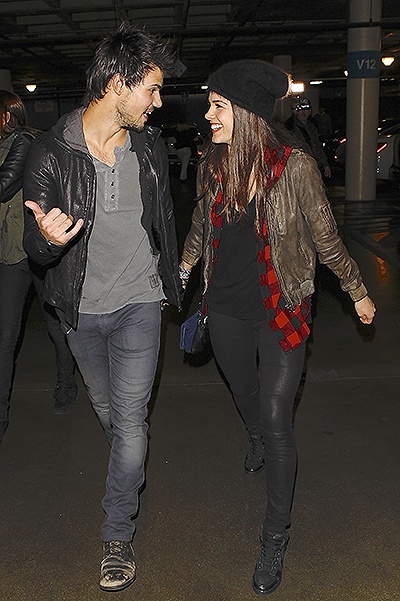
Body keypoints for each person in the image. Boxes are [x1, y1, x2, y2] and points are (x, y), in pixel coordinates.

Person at [179, 60, 376, 596]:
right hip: (224, 306)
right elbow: (201, 221)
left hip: (280, 305)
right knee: (245, 395)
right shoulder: (212, 165)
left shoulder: (296, 168)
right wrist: (184, 266)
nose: (208, 115)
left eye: (217, 105)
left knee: (276, 413)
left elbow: (327, 236)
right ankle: (254, 437)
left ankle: (274, 534)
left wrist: (357, 290)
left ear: (244, 112)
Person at [23, 23, 181, 593]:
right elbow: (32, 245)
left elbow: (162, 218)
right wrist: (47, 240)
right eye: (152, 90)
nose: (158, 103)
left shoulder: (148, 146)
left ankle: (116, 537)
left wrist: (175, 274)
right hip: (82, 312)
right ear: (118, 85)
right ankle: (129, 464)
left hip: (141, 300)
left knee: (132, 422)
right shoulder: (49, 150)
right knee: (113, 416)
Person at [0, 90, 77, 444]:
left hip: (34, 248)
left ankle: (66, 384)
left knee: (54, 321)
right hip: (9, 253)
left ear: (5, 116)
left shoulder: (25, 141)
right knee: (5, 338)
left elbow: (4, 185)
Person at [285, 97, 331, 178]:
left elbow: (316, 147)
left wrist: (325, 165)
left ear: (310, 111)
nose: (303, 112)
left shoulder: (312, 127)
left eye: (306, 109)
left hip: (312, 166)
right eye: (299, 110)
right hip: (298, 167)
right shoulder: (290, 126)